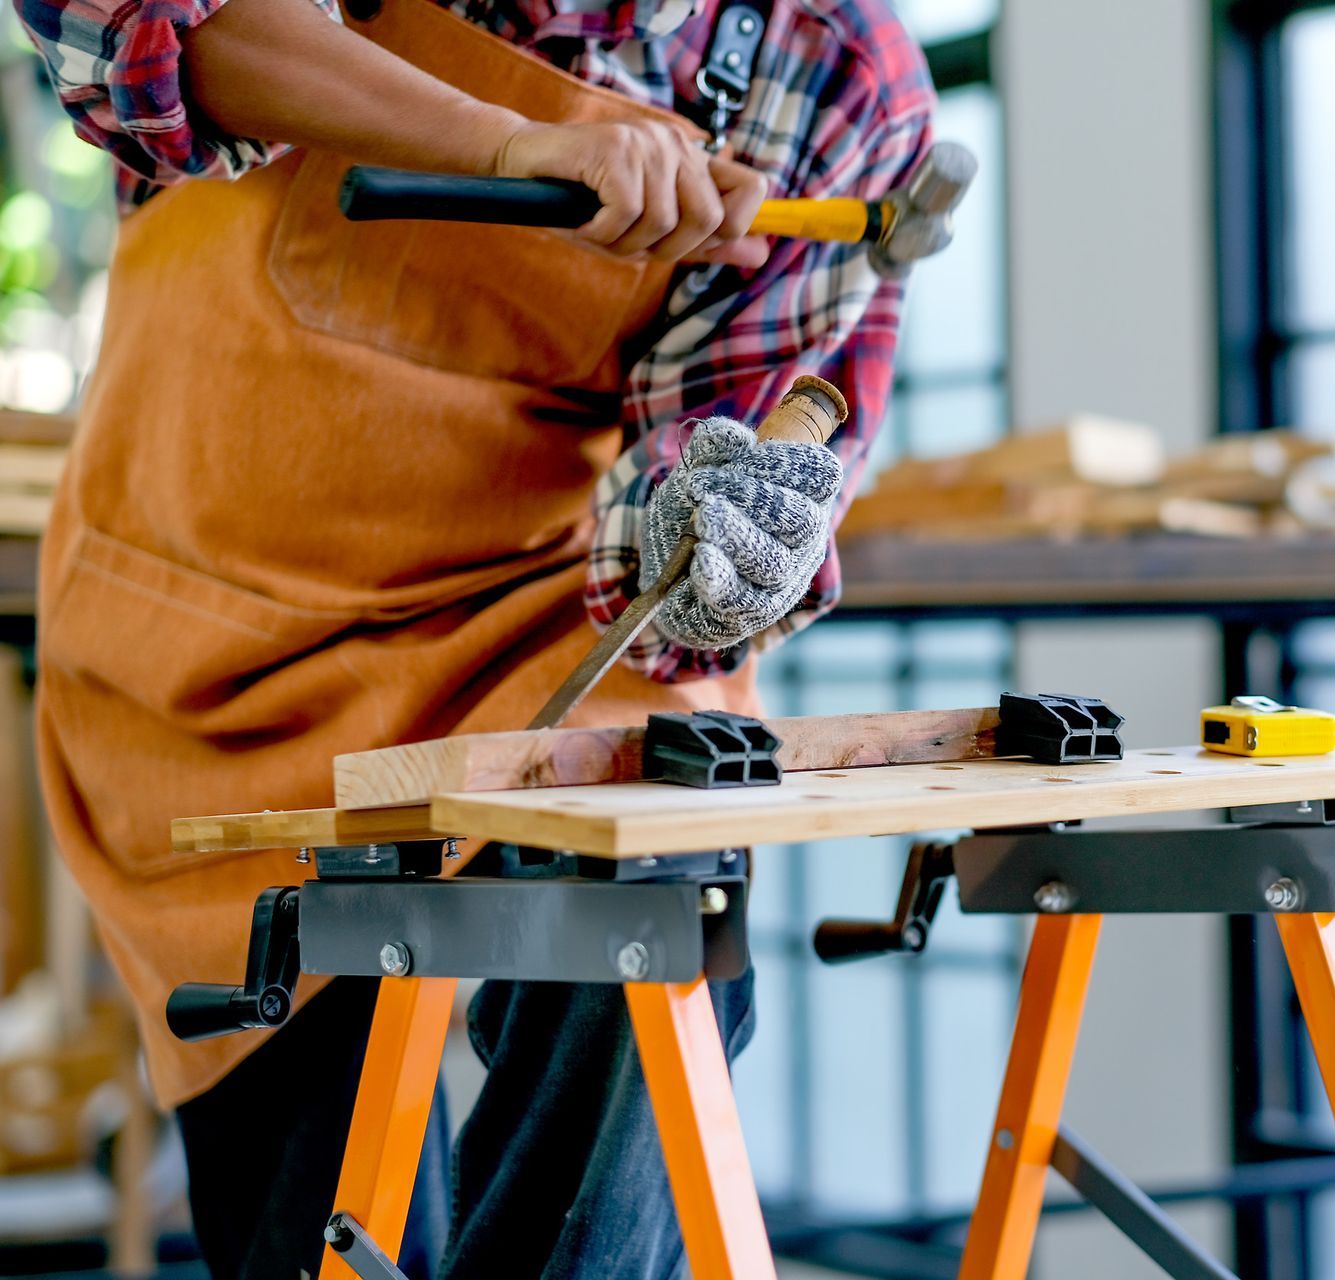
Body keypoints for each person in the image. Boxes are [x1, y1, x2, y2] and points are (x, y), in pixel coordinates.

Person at [12, 0, 933, 1269]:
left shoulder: (824, 65)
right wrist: (506, 145)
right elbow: (127, 34)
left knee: (655, 882)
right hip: (209, 661)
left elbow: (710, 463)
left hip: (535, 638)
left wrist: (716, 537)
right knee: (317, 1212)